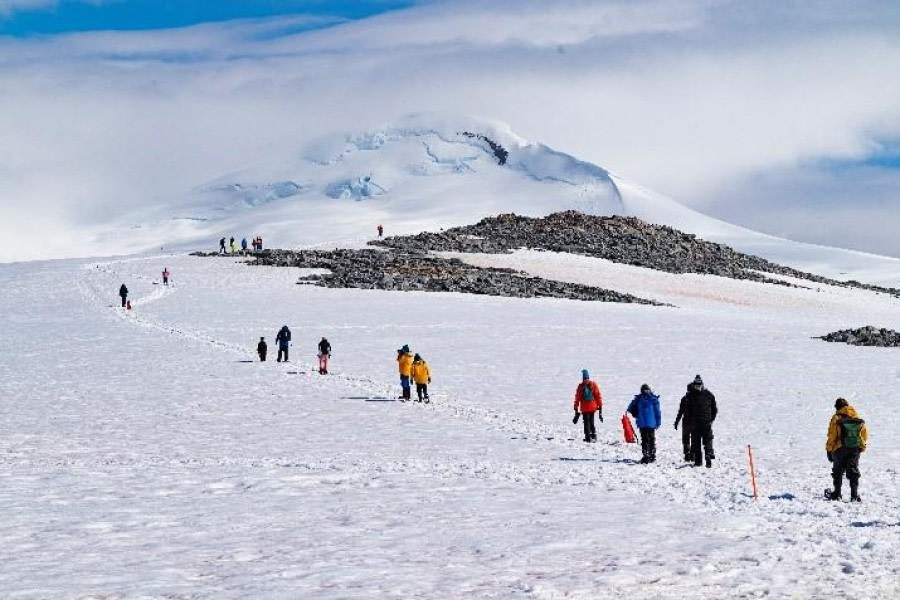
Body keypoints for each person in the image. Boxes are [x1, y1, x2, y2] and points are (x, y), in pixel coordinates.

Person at [825, 398, 867, 502]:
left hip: (839, 448)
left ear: (837, 407)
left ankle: (837, 494)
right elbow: (864, 434)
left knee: (838, 471)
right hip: (854, 448)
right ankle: (854, 495)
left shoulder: (836, 418)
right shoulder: (856, 417)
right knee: (853, 470)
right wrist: (861, 447)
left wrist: (829, 449)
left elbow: (832, 435)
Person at [684, 374, 717, 468]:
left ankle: (699, 461)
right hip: (706, 422)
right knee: (707, 440)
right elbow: (714, 409)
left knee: (697, 442)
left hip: (696, 424)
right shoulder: (709, 394)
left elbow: (688, 411)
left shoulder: (690, 395)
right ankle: (708, 454)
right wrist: (711, 419)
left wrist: (689, 421)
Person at [628, 384, 662, 464]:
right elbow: (657, 412)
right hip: (651, 423)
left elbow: (630, 408)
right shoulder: (653, 399)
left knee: (644, 439)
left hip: (642, 423)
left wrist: (635, 411)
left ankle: (646, 456)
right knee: (651, 439)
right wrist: (658, 423)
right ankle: (652, 456)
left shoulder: (639, 398)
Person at [573, 369, 603, 443]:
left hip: (584, 408)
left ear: (583, 378)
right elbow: (597, 396)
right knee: (592, 422)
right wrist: (600, 405)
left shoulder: (581, 386)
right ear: (588, 377)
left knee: (586, 422)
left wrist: (576, 407)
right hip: (592, 407)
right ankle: (593, 435)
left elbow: (577, 398)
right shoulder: (593, 384)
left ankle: (587, 437)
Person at [673, 383, 694, 462]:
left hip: (686, 422)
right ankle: (692, 454)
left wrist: (676, 422)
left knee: (685, 438)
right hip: (694, 422)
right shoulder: (697, 399)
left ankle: (687, 454)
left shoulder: (684, 399)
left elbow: (680, 412)